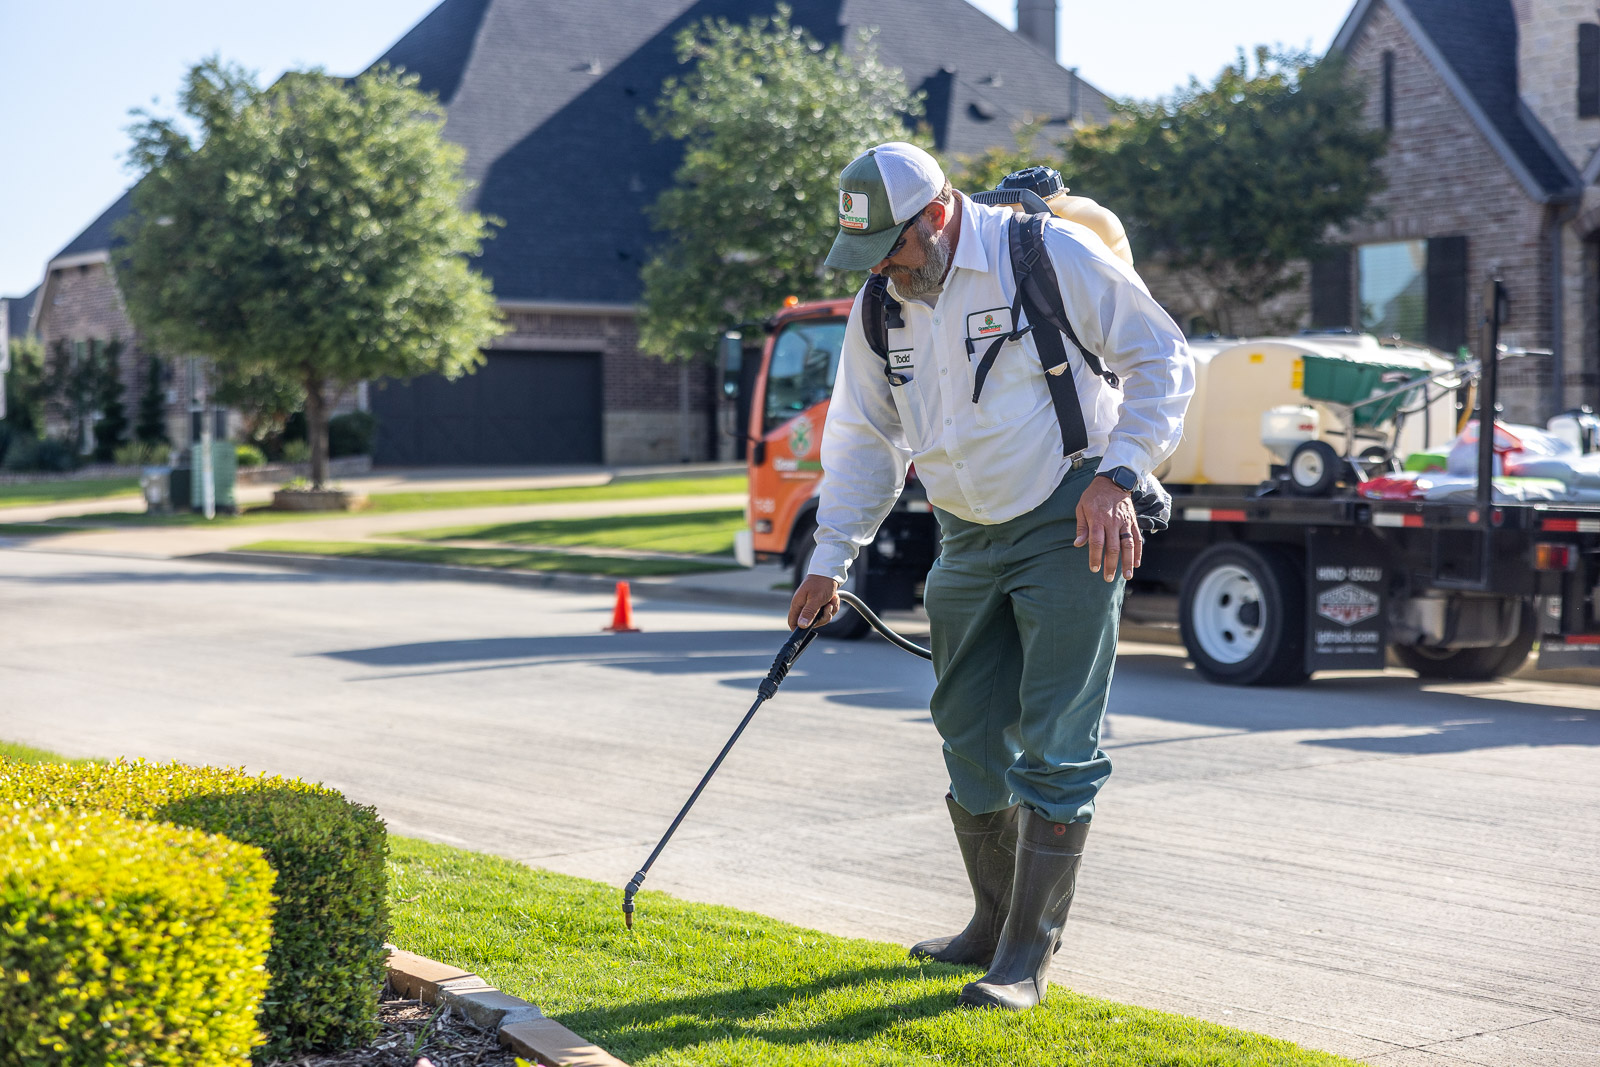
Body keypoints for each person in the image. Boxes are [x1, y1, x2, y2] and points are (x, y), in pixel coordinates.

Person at [790, 142, 1194, 1010]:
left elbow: (1163, 360)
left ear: (935, 215)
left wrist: (1118, 476)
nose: (884, 269)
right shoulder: (880, 305)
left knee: (1056, 743)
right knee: (968, 734)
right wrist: (830, 559)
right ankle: (987, 919)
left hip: (1069, 517)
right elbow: (864, 438)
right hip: (962, 532)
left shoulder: (1044, 255)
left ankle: (1023, 959)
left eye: (893, 245)